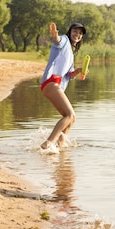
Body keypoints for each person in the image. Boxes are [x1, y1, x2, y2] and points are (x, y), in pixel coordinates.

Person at [40, 22, 85, 153]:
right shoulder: (65, 40)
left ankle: (59, 146)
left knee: (71, 118)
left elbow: (69, 75)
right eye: (75, 31)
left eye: (80, 33)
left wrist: (78, 71)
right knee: (70, 114)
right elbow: (58, 41)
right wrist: (55, 34)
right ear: (70, 32)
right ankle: (48, 142)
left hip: (54, 85)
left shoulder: (70, 53)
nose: (77, 34)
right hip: (51, 82)